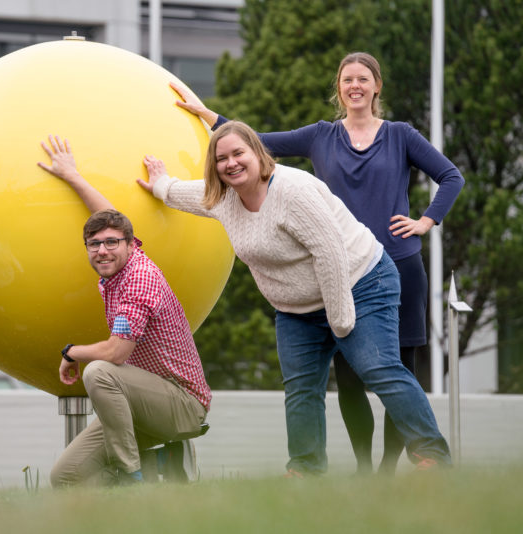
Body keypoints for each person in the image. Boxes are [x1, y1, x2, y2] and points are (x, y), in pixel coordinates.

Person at [170, 52, 464, 474]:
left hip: (386, 265)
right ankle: (362, 473)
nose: (355, 86)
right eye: (347, 79)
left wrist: (426, 220)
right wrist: (212, 118)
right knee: (346, 382)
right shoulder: (321, 136)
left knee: (387, 370)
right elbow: (256, 145)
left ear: (376, 86)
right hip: (322, 275)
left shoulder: (400, 135)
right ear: (339, 88)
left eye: (363, 79)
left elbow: (451, 175)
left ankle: (404, 466)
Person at [38, 135, 211, 486]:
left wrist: (71, 352)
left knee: (98, 371)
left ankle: (133, 475)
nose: (102, 250)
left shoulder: (138, 279)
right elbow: (107, 218)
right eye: (94, 244)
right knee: (65, 479)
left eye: (112, 243)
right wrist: (72, 175)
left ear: (130, 245)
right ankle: (158, 461)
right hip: (134, 400)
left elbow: (116, 353)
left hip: (181, 405)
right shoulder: (126, 257)